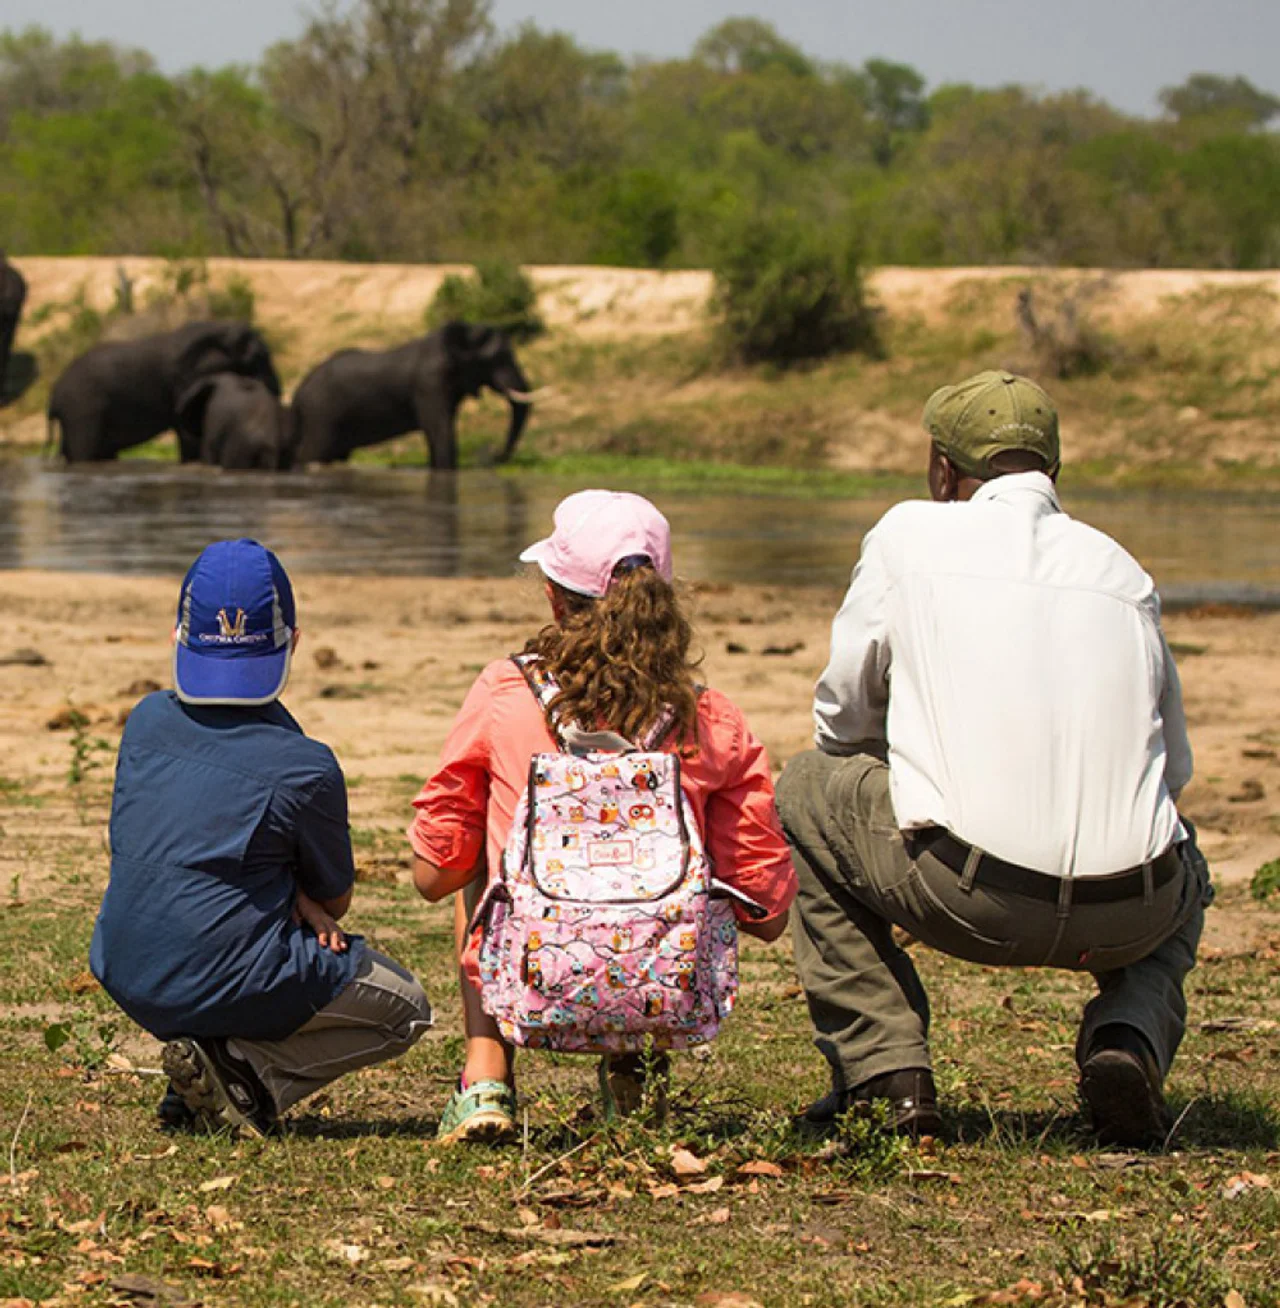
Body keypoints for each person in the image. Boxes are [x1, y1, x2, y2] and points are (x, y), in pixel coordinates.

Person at [777, 372, 1212, 1147]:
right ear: (1054, 471)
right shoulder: (1120, 567)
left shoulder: (908, 535)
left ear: (944, 469)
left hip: (969, 894)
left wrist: (908, 776)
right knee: (1189, 856)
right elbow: (1173, 771)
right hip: (1130, 907)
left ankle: (888, 1073)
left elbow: (841, 718)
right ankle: (1128, 1038)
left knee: (807, 789)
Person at [408, 490, 798, 1142]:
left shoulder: (506, 694)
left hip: (530, 983)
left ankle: (485, 1077)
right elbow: (768, 911)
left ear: (555, 599)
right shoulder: (711, 719)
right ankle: (637, 1075)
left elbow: (433, 874)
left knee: (484, 841)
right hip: (664, 994)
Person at [90, 538, 432, 1136]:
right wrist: (300, 896)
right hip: (216, 972)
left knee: (228, 939)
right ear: (292, 642)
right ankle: (246, 1073)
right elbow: (337, 903)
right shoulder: (307, 767)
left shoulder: (143, 721)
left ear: (179, 635)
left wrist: (283, 892)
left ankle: (205, 1072)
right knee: (404, 1010)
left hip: (125, 969)